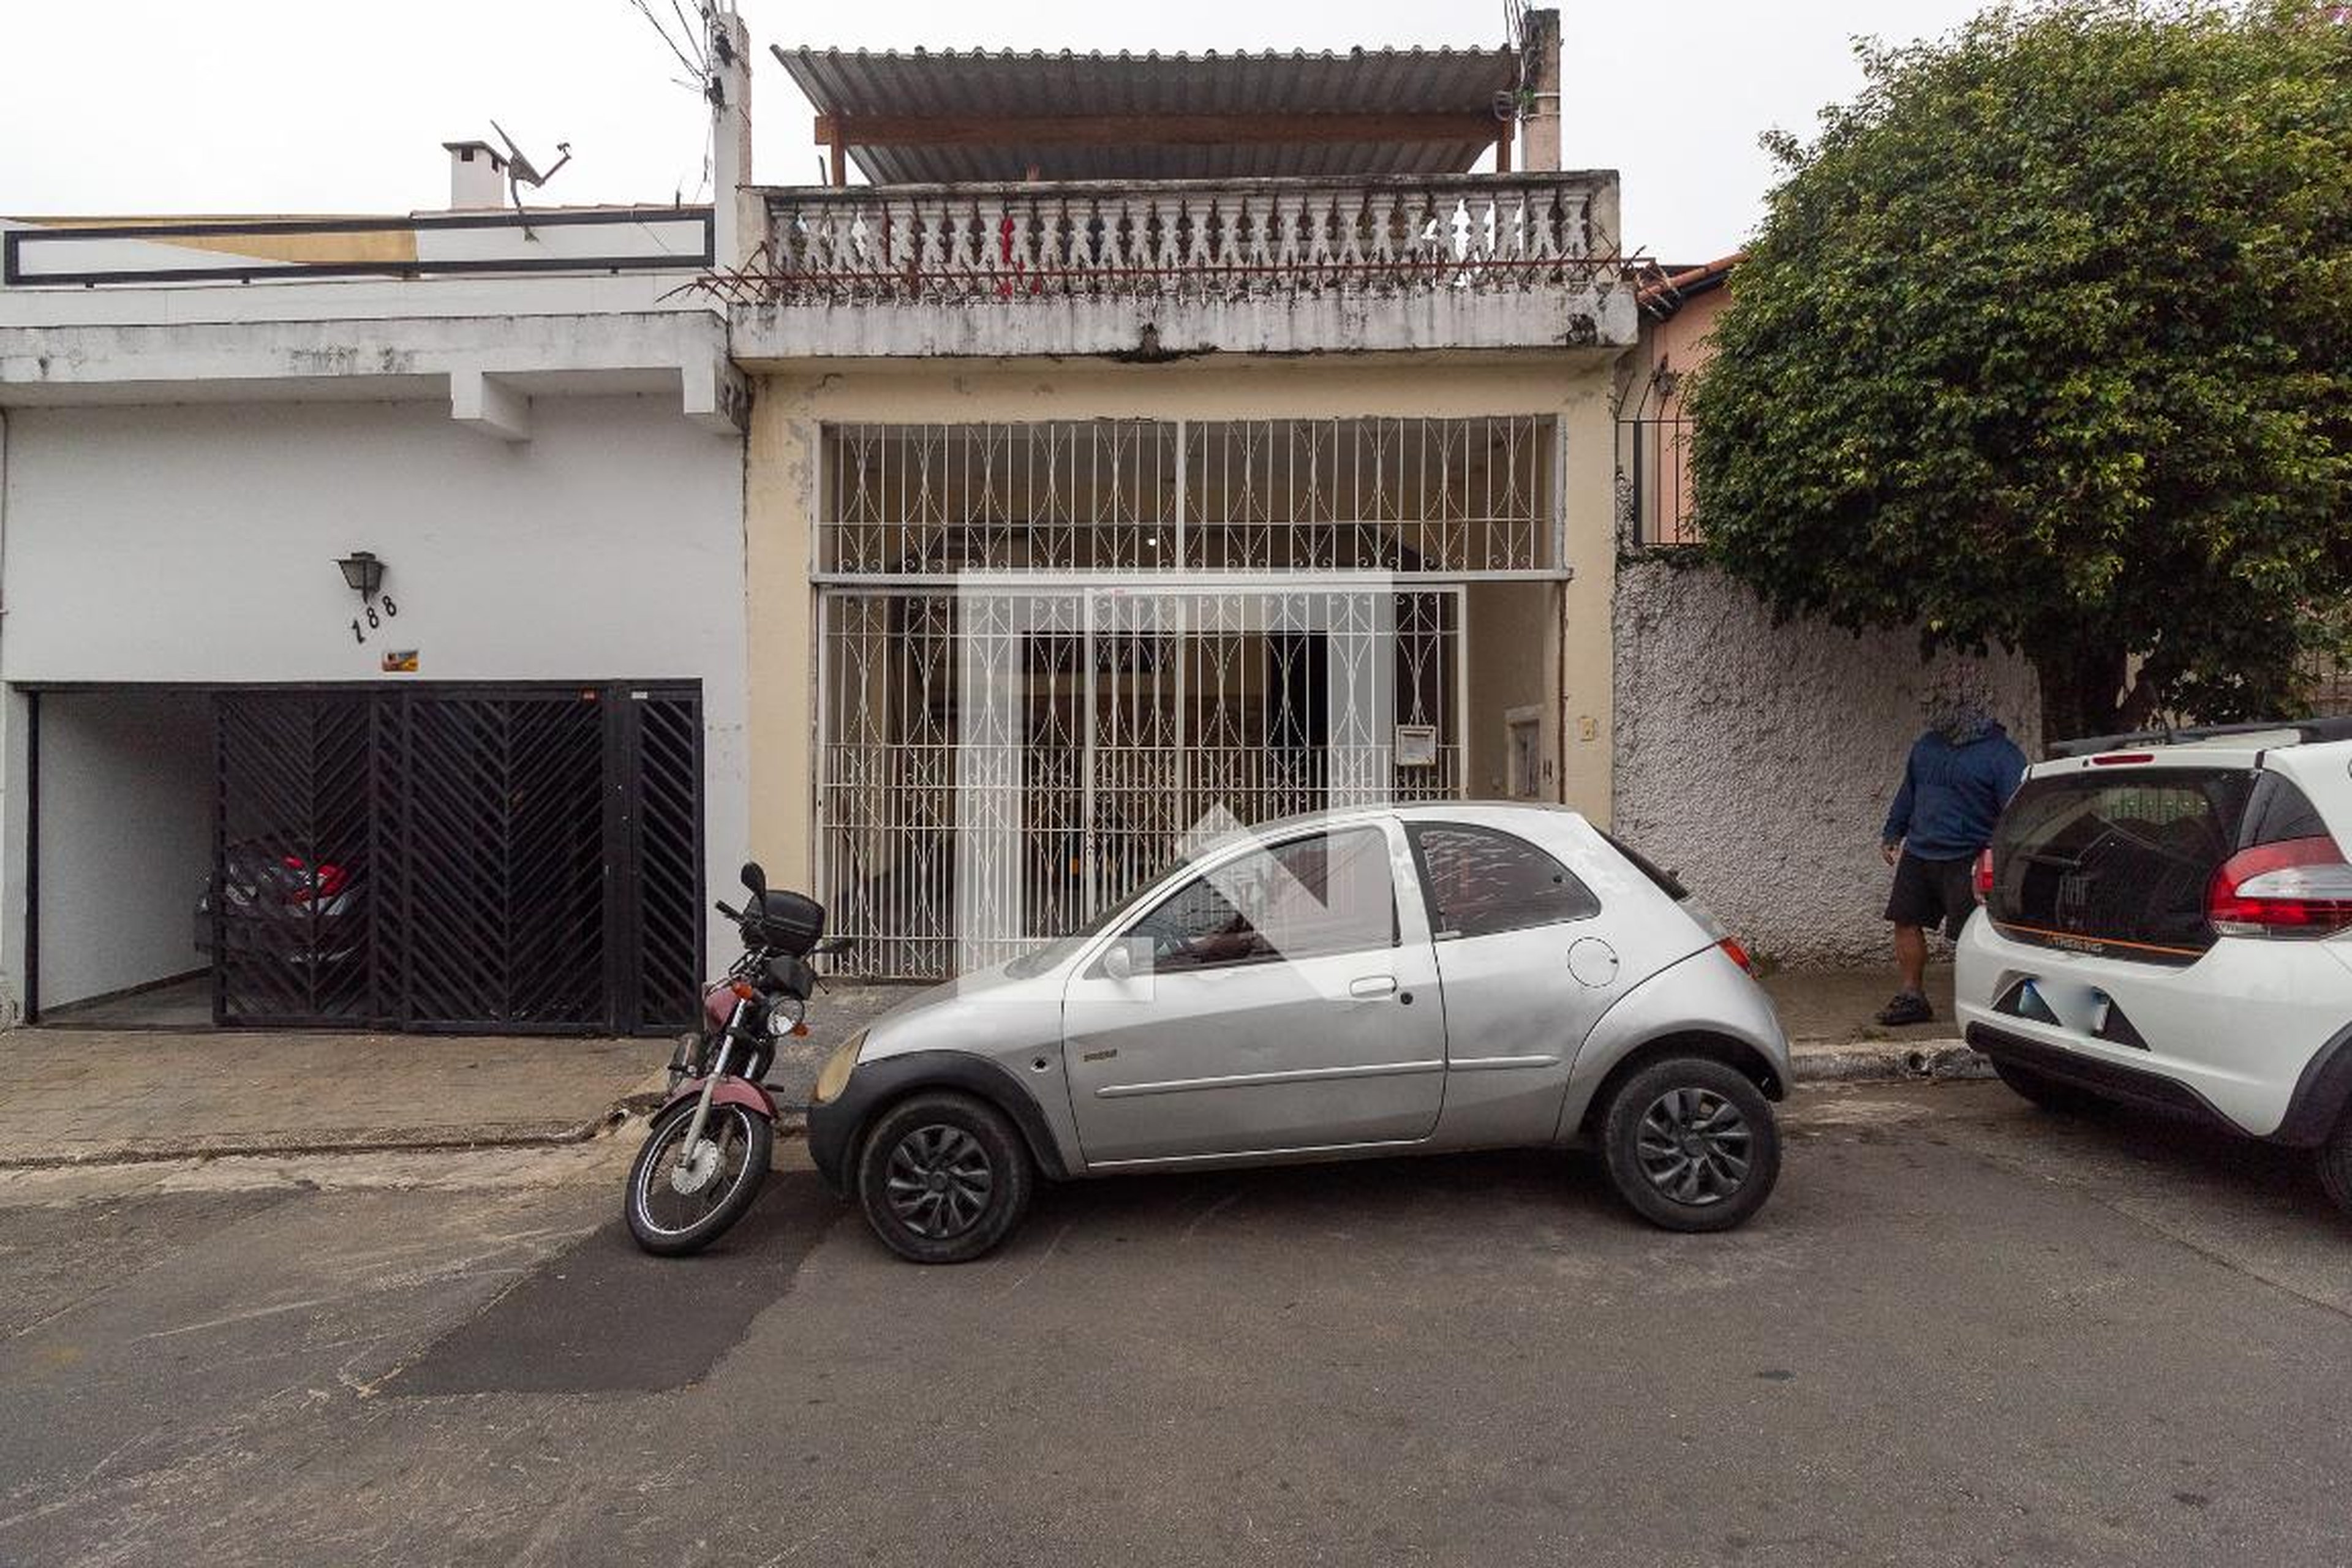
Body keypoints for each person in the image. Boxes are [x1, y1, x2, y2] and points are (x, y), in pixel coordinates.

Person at [1875, 685, 2027, 1026]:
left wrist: (1994, 856)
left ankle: (1978, 1002)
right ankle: (1912, 995)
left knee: (1970, 934)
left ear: (1969, 707)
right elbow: (1909, 793)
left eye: (1944, 705)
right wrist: (1893, 832)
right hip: (1920, 852)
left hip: (1969, 857)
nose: (1935, 712)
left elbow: (2015, 813)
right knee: (1905, 921)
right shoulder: (1926, 747)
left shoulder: (2002, 756)